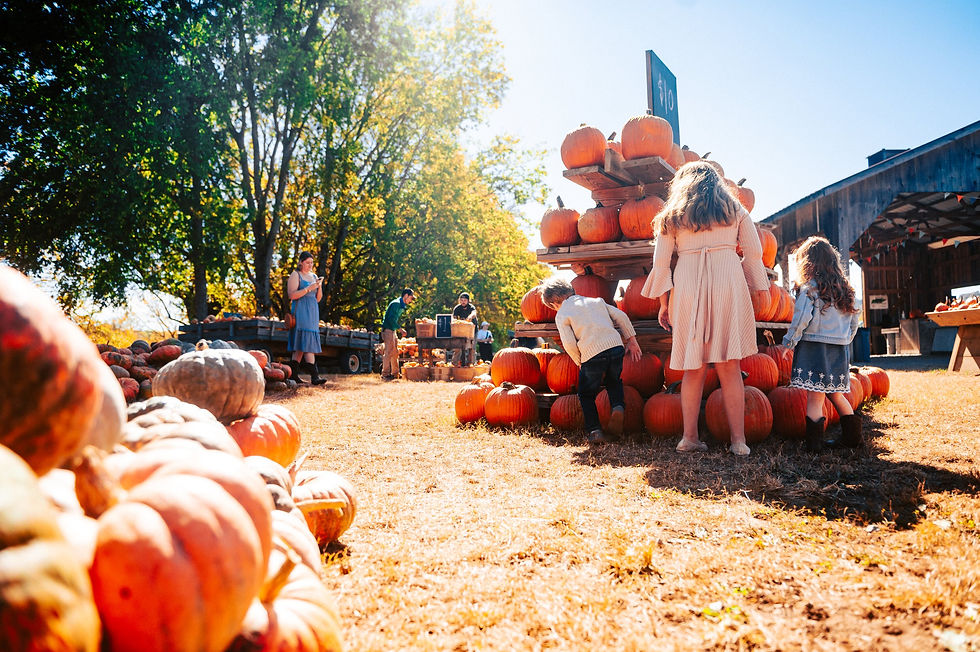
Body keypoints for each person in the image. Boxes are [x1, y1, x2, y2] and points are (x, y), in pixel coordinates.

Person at [641, 161, 770, 456]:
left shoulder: (671, 216)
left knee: (693, 368)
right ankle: (739, 442)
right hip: (728, 280)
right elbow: (753, 251)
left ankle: (689, 438)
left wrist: (664, 303)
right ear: (717, 184)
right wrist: (749, 283)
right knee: (730, 366)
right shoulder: (736, 209)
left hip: (687, 285)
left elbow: (661, 264)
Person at [781, 236, 861, 452]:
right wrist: (845, 340)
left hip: (815, 349)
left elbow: (801, 320)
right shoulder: (845, 290)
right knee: (836, 393)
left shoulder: (810, 289)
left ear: (807, 263)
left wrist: (789, 343)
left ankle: (815, 445)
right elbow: (855, 321)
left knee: (815, 398)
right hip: (838, 349)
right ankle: (853, 437)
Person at [542, 277, 642, 445]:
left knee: (586, 394)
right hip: (615, 347)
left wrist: (579, 361)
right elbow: (621, 316)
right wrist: (632, 340)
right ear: (571, 291)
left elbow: (568, 343)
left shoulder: (562, 314)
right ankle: (618, 407)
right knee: (614, 382)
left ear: (553, 304)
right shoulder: (596, 301)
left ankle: (595, 431)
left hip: (592, 353)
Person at [286, 251, 326, 385]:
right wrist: (309, 288)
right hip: (301, 311)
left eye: (312, 263)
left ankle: (293, 375)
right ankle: (315, 376)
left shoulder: (313, 276)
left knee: (301, 346)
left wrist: (319, 287)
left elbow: (318, 299)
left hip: (313, 312)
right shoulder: (295, 275)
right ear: (301, 262)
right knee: (305, 342)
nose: (310, 265)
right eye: (307, 262)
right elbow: (292, 295)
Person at [381, 288, 415, 380]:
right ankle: (385, 374)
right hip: (387, 329)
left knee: (395, 352)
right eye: (411, 298)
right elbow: (391, 319)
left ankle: (395, 373)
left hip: (392, 330)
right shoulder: (396, 304)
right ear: (406, 296)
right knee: (388, 351)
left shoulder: (401, 305)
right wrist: (400, 329)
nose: (411, 301)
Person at [451, 292, 478, 365]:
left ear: (468, 301)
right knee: (457, 348)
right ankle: (454, 364)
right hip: (461, 331)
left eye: (465, 300)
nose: (463, 301)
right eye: (461, 300)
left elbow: (474, 313)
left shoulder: (471, 307)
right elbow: (454, 318)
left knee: (472, 348)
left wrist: (470, 317)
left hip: (472, 331)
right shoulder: (457, 308)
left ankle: (471, 364)